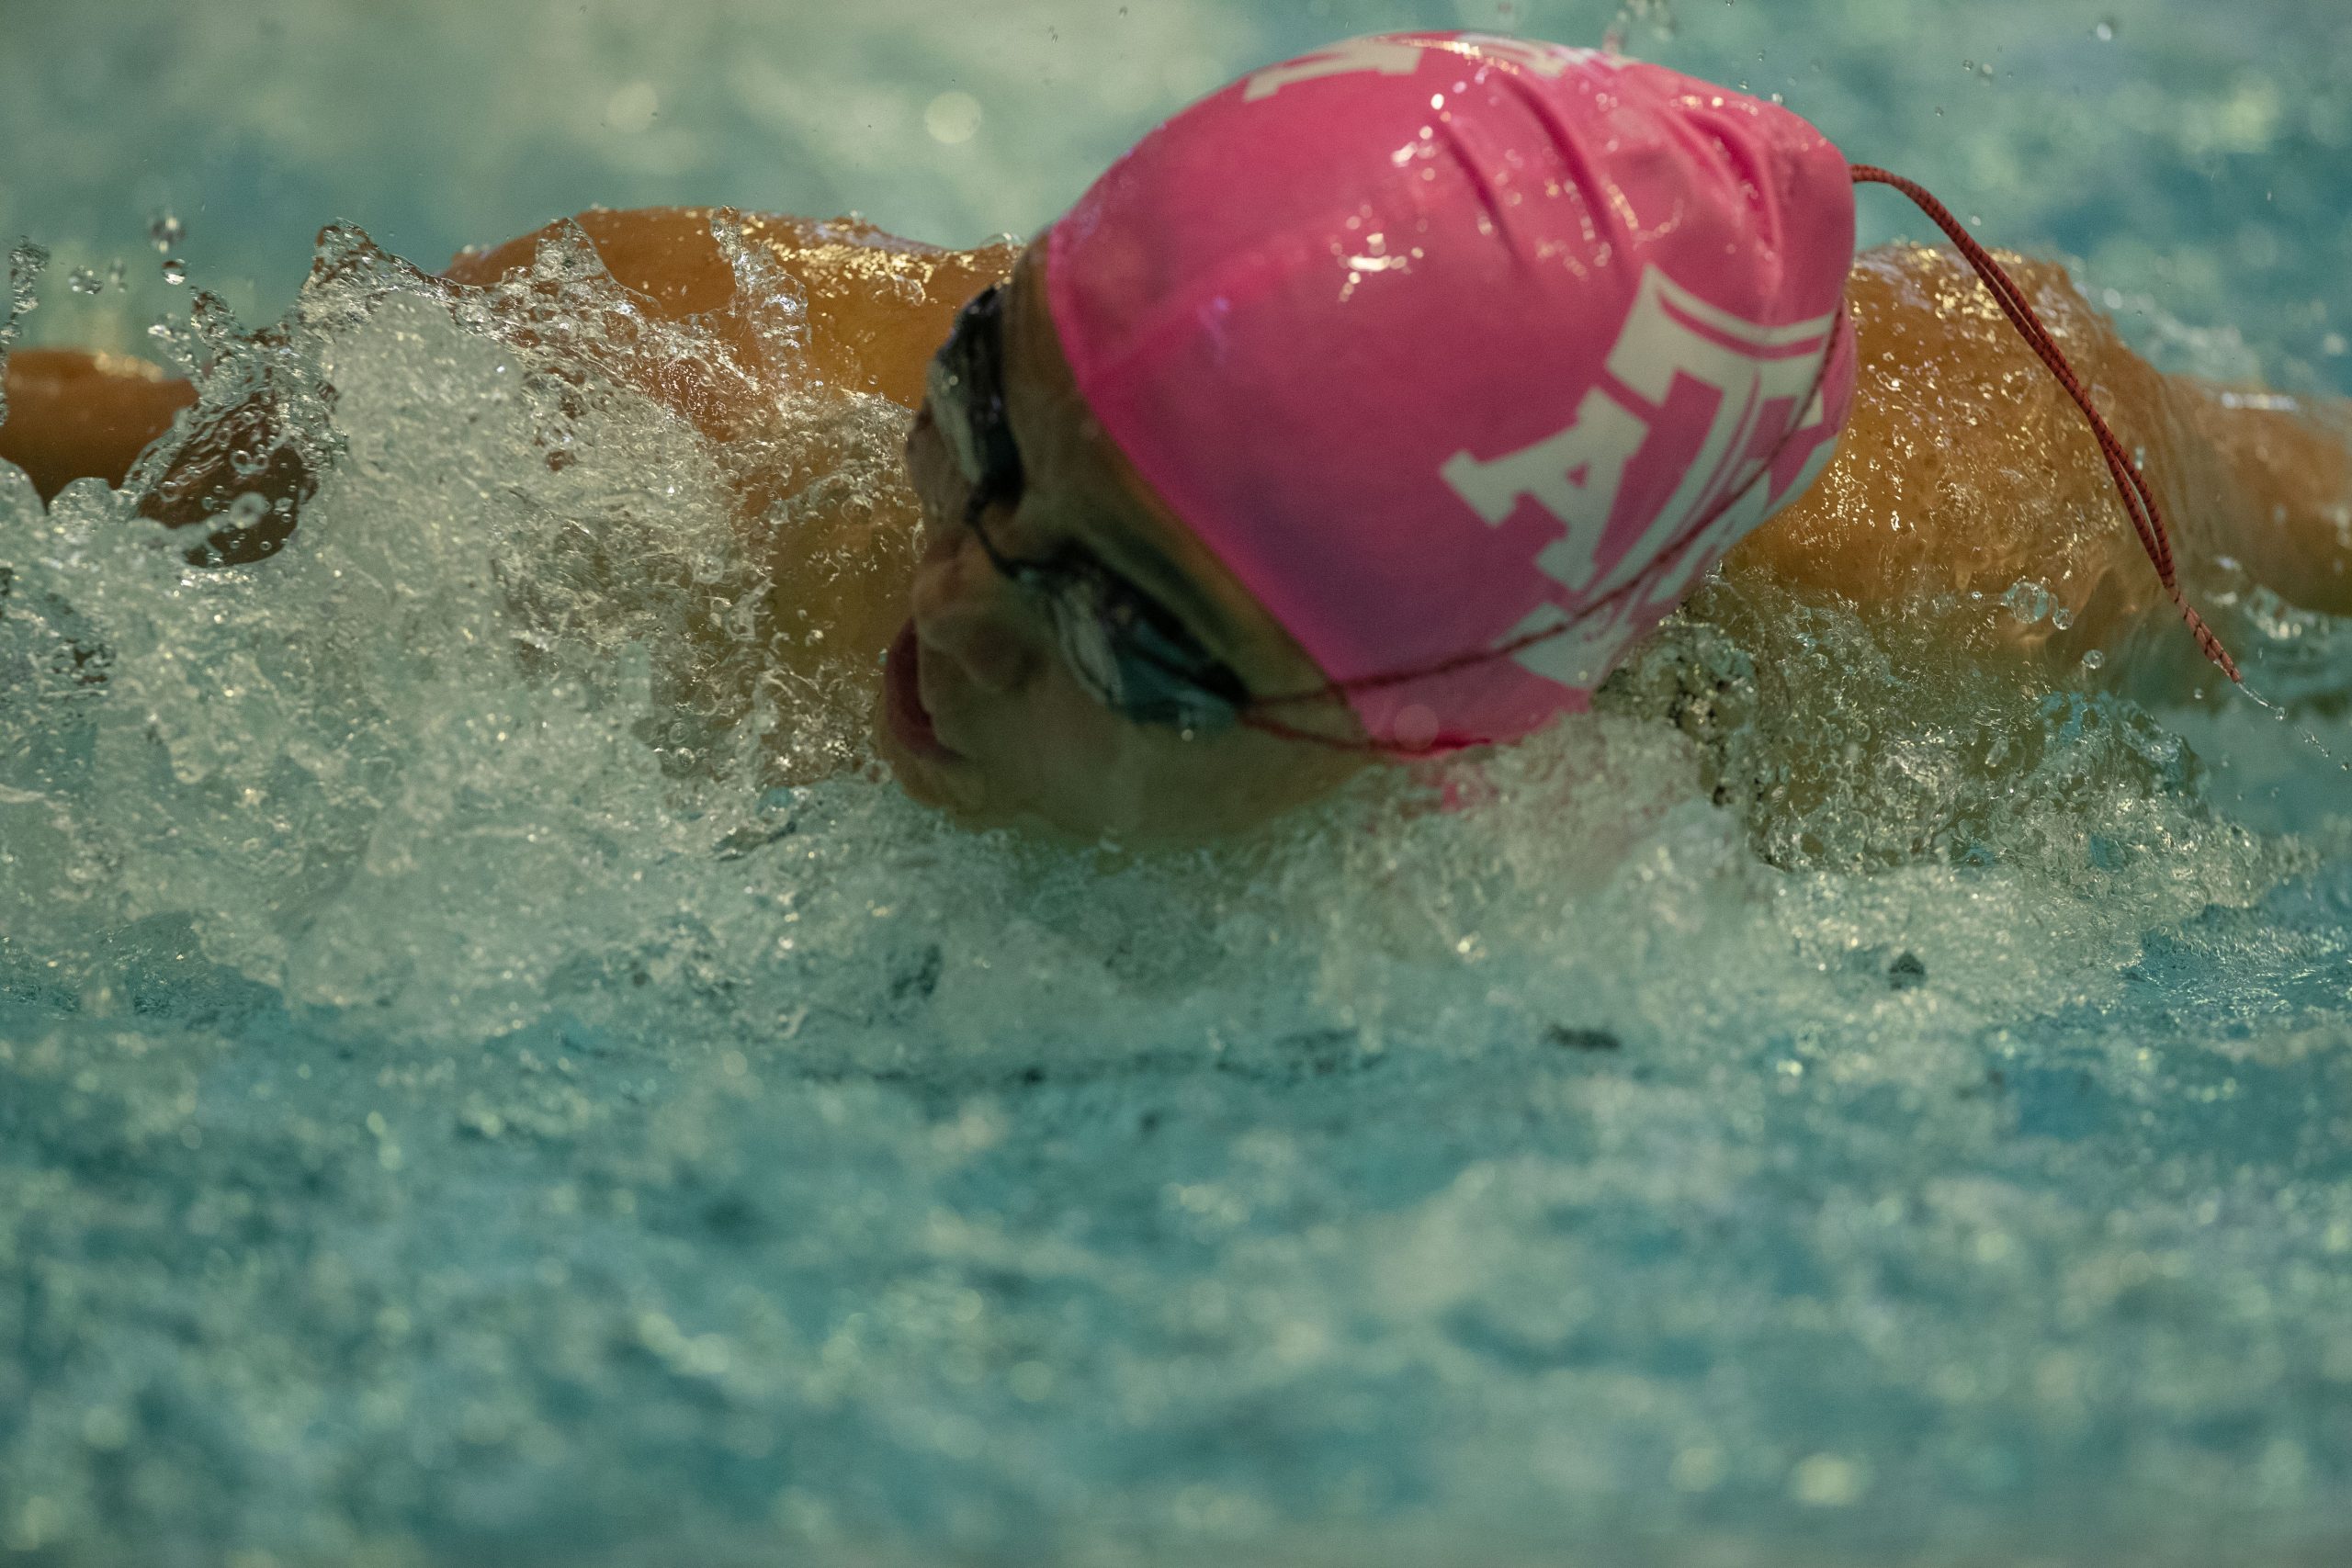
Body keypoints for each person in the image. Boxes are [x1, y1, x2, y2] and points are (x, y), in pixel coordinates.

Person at [5, 32, 2348, 845]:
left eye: (1140, 632)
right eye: (979, 420)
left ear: (1451, 735)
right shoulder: (615, 410)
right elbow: (98, 485)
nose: (957, 597)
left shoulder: (1997, 571)